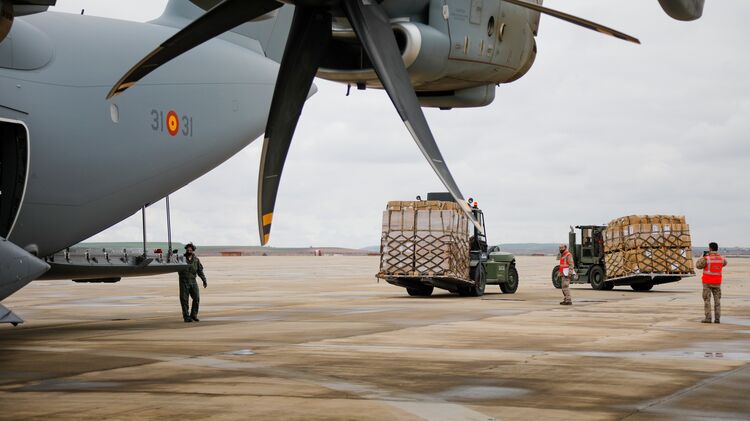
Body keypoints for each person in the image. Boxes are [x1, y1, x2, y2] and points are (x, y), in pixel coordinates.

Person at [696, 242, 727, 324]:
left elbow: (698, 266)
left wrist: (701, 257)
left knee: (707, 300)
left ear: (710, 248)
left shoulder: (707, 258)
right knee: (717, 301)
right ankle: (717, 319)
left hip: (707, 282)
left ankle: (708, 318)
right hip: (717, 283)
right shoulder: (721, 259)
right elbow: (724, 263)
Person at [177, 243, 207, 323]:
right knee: (184, 300)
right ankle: (186, 317)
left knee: (196, 298)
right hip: (183, 281)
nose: (189, 251)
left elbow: (200, 271)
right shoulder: (181, 259)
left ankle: (193, 315)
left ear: (193, 251)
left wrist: (204, 280)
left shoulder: (196, 260)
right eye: (188, 250)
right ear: (186, 250)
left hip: (193, 281)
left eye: (190, 250)